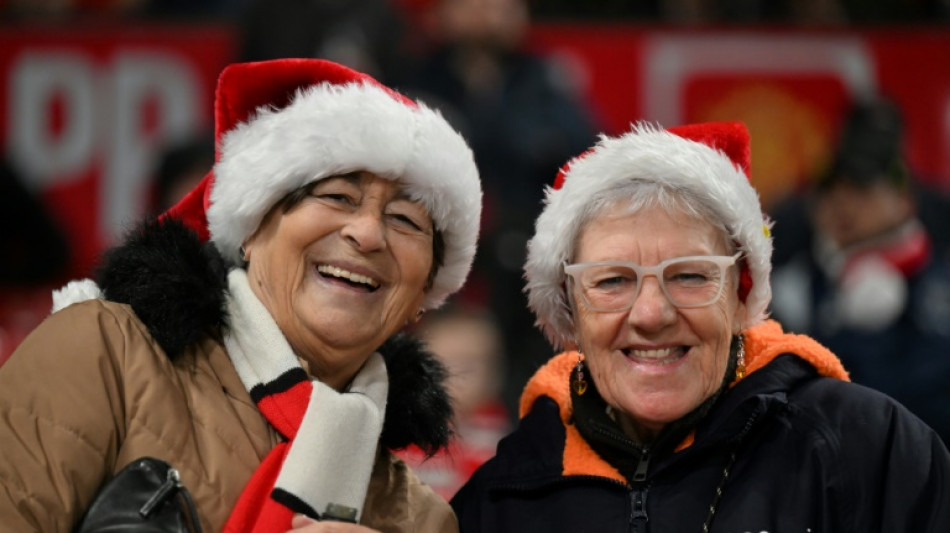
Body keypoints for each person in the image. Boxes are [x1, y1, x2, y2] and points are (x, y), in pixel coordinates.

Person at [0, 58, 482, 532]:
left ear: (426, 291)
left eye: (405, 220)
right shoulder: (105, 353)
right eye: (337, 197)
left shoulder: (422, 521)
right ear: (250, 231)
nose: (367, 234)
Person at [450, 121, 950, 531]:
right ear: (569, 311)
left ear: (740, 297)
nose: (650, 314)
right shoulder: (501, 499)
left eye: (689, 276)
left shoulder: (870, 452)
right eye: (613, 281)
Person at [399, 0, 600, 419]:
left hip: (525, 267)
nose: (485, 13)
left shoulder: (544, 81)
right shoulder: (414, 78)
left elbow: (589, 165)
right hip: (433, 262)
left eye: (500, 4)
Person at [770, 98, 950, 444]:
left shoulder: (937, 283)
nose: (843, 205)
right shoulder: (791, 288)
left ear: (904, 201)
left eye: (861, 190)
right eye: (830, 192)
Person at [396, 304, 511, 500]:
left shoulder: (499, 434)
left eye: (471, 365)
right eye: (444, 364)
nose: (458, 377)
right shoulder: (404, 432)